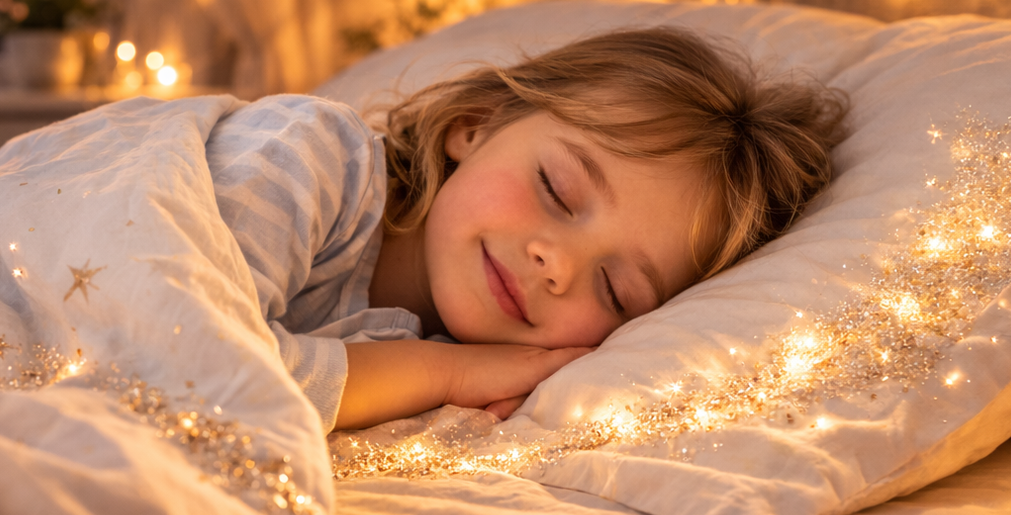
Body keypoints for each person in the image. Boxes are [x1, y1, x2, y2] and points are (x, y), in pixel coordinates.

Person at [205, 26, 846, 432]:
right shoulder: (307, 158)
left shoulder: (483, 380)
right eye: (557, 191)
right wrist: (437, 372)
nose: (556, 265)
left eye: (616, 291)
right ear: (475, 125)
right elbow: (188, 363)